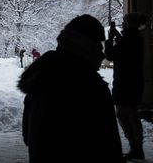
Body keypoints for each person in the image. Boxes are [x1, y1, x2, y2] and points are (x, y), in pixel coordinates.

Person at [18, 15, 123, 163]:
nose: (101, 49)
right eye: (98, 43)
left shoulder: (42, 76)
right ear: (88, 46)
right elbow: (108, 144)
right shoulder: (91, 86)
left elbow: (28, 135)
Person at [105, 13, 147, 161]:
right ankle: (137, 148)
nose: (122, 24)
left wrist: (110, 39)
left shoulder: (127, 41)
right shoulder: (136, 39)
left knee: (123, 114)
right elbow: (126, 49)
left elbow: (110, 55)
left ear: (128, 24)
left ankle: (135, 147)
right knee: (132, 113)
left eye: (124, 22)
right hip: (134, 82)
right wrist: (118, 37)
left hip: (124, 83)